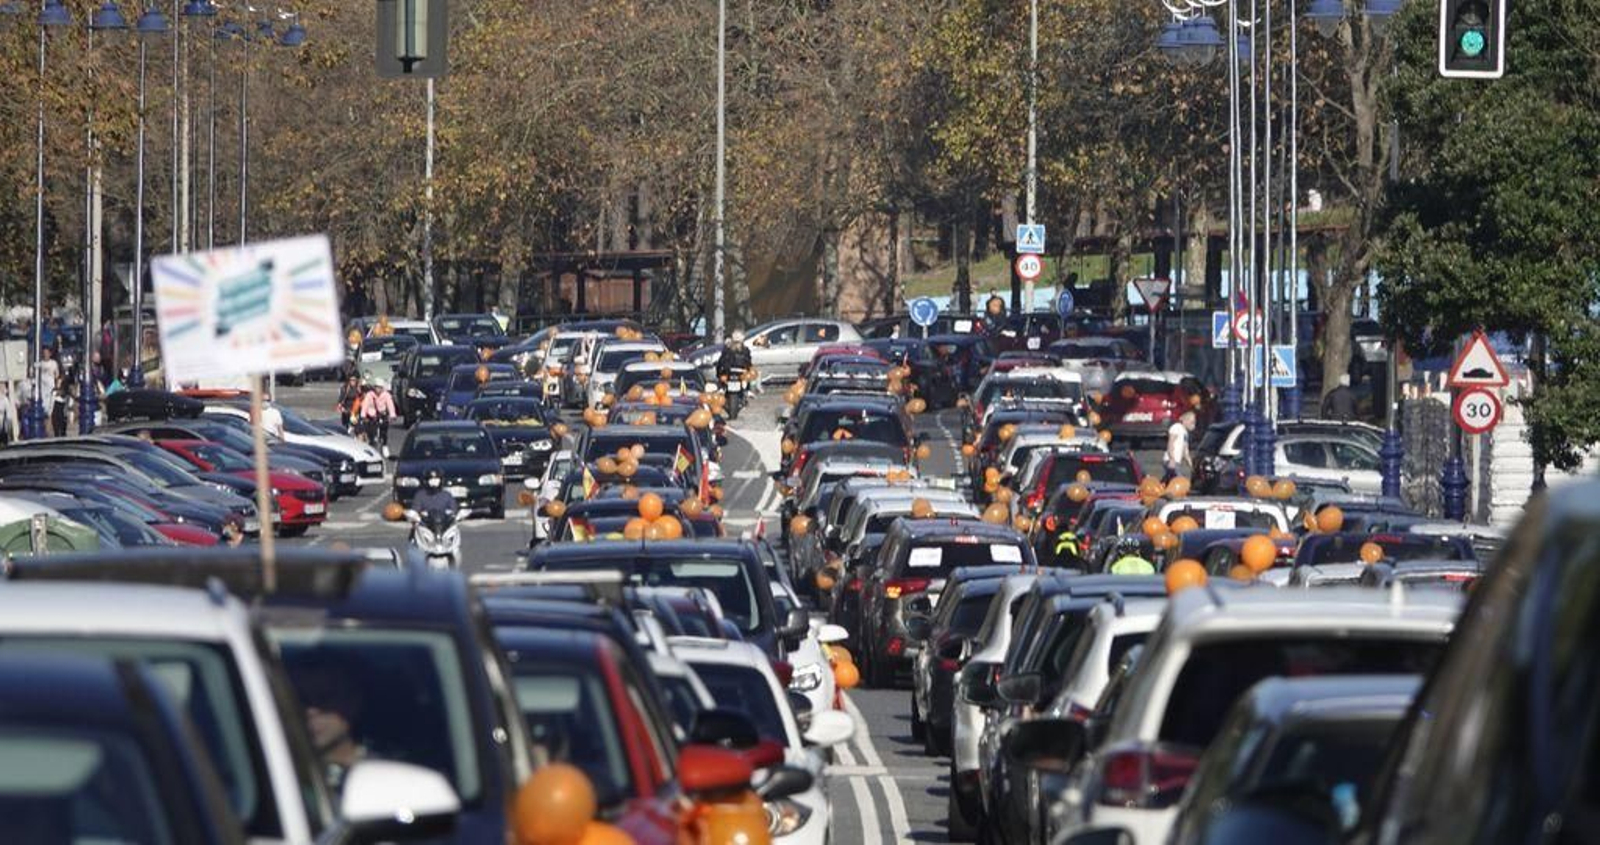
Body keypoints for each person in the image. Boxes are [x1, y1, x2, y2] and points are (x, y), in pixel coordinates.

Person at [288, 658, 369, 793]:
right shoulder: (278, 773)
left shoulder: (383, 772)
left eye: (323, 700)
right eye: (301, 701)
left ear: (352, 704)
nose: (311, 711)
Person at [362, 379, 398, 457]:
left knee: (384, 430)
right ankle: (371, 446)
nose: (378, 389)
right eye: (376, 387)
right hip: (372, 415)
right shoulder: (369, 395)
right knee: (371, 431)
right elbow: (365, 405)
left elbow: (390, 405)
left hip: (382, 414)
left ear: (382, 388)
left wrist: (392, 415)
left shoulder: (386, 395)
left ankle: (385, 446)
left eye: (379, 387)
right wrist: (363, 415)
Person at [1163, 409, 1197, 481]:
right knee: (1178, 479)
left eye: (1194, 423)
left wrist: (1191, 464)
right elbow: (1170, 443)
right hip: (1170, 460)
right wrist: (1172, 458)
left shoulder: (1185, 433)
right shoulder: (1177, 427)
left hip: (1177, 462)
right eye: (1191, 422)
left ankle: (1161, 486)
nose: (1193, 425)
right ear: (1184, 421)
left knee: (1169, 479)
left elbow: (1185, 452)